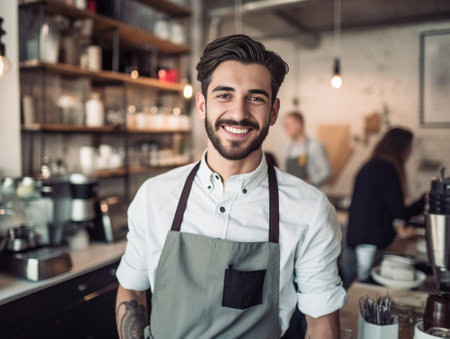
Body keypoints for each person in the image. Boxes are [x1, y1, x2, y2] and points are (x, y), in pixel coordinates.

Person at [115, 34, 346, 339]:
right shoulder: (154, 195)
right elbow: (131, 287)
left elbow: (321, 322)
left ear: (273, 112)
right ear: (202, 105)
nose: (239, 113)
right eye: (224, 95)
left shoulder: (310, 209)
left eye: (255, 98)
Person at [342, 127, 425, 285]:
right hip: (368, 248)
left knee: (354, 296)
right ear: (400, 148)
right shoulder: (387, 169)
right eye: (409, 148)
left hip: (354, 244)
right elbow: (399, 212)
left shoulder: (370, 165)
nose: (411, 152)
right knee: (363, 296)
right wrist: (423, 201)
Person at [284, 111, 331, 187]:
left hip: (310, 194)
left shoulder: (315, 146)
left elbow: (326, 172)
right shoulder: (288, 149)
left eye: (288, 125)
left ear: (299, 124)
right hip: (292, 193)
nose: (286, 129)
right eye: (285, 126)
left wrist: (310, 182)